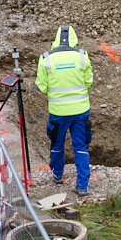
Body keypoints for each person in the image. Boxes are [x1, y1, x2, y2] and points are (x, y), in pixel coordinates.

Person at [36, 26, 94, 196]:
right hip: (80, 111)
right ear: (74, 39)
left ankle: (57, 174)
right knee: (81, 147)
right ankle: (82, 185)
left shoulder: (46, 58)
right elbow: (88, 81)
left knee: (56, 144)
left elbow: (42, 86)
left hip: (58, 111)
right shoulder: (82, 56)